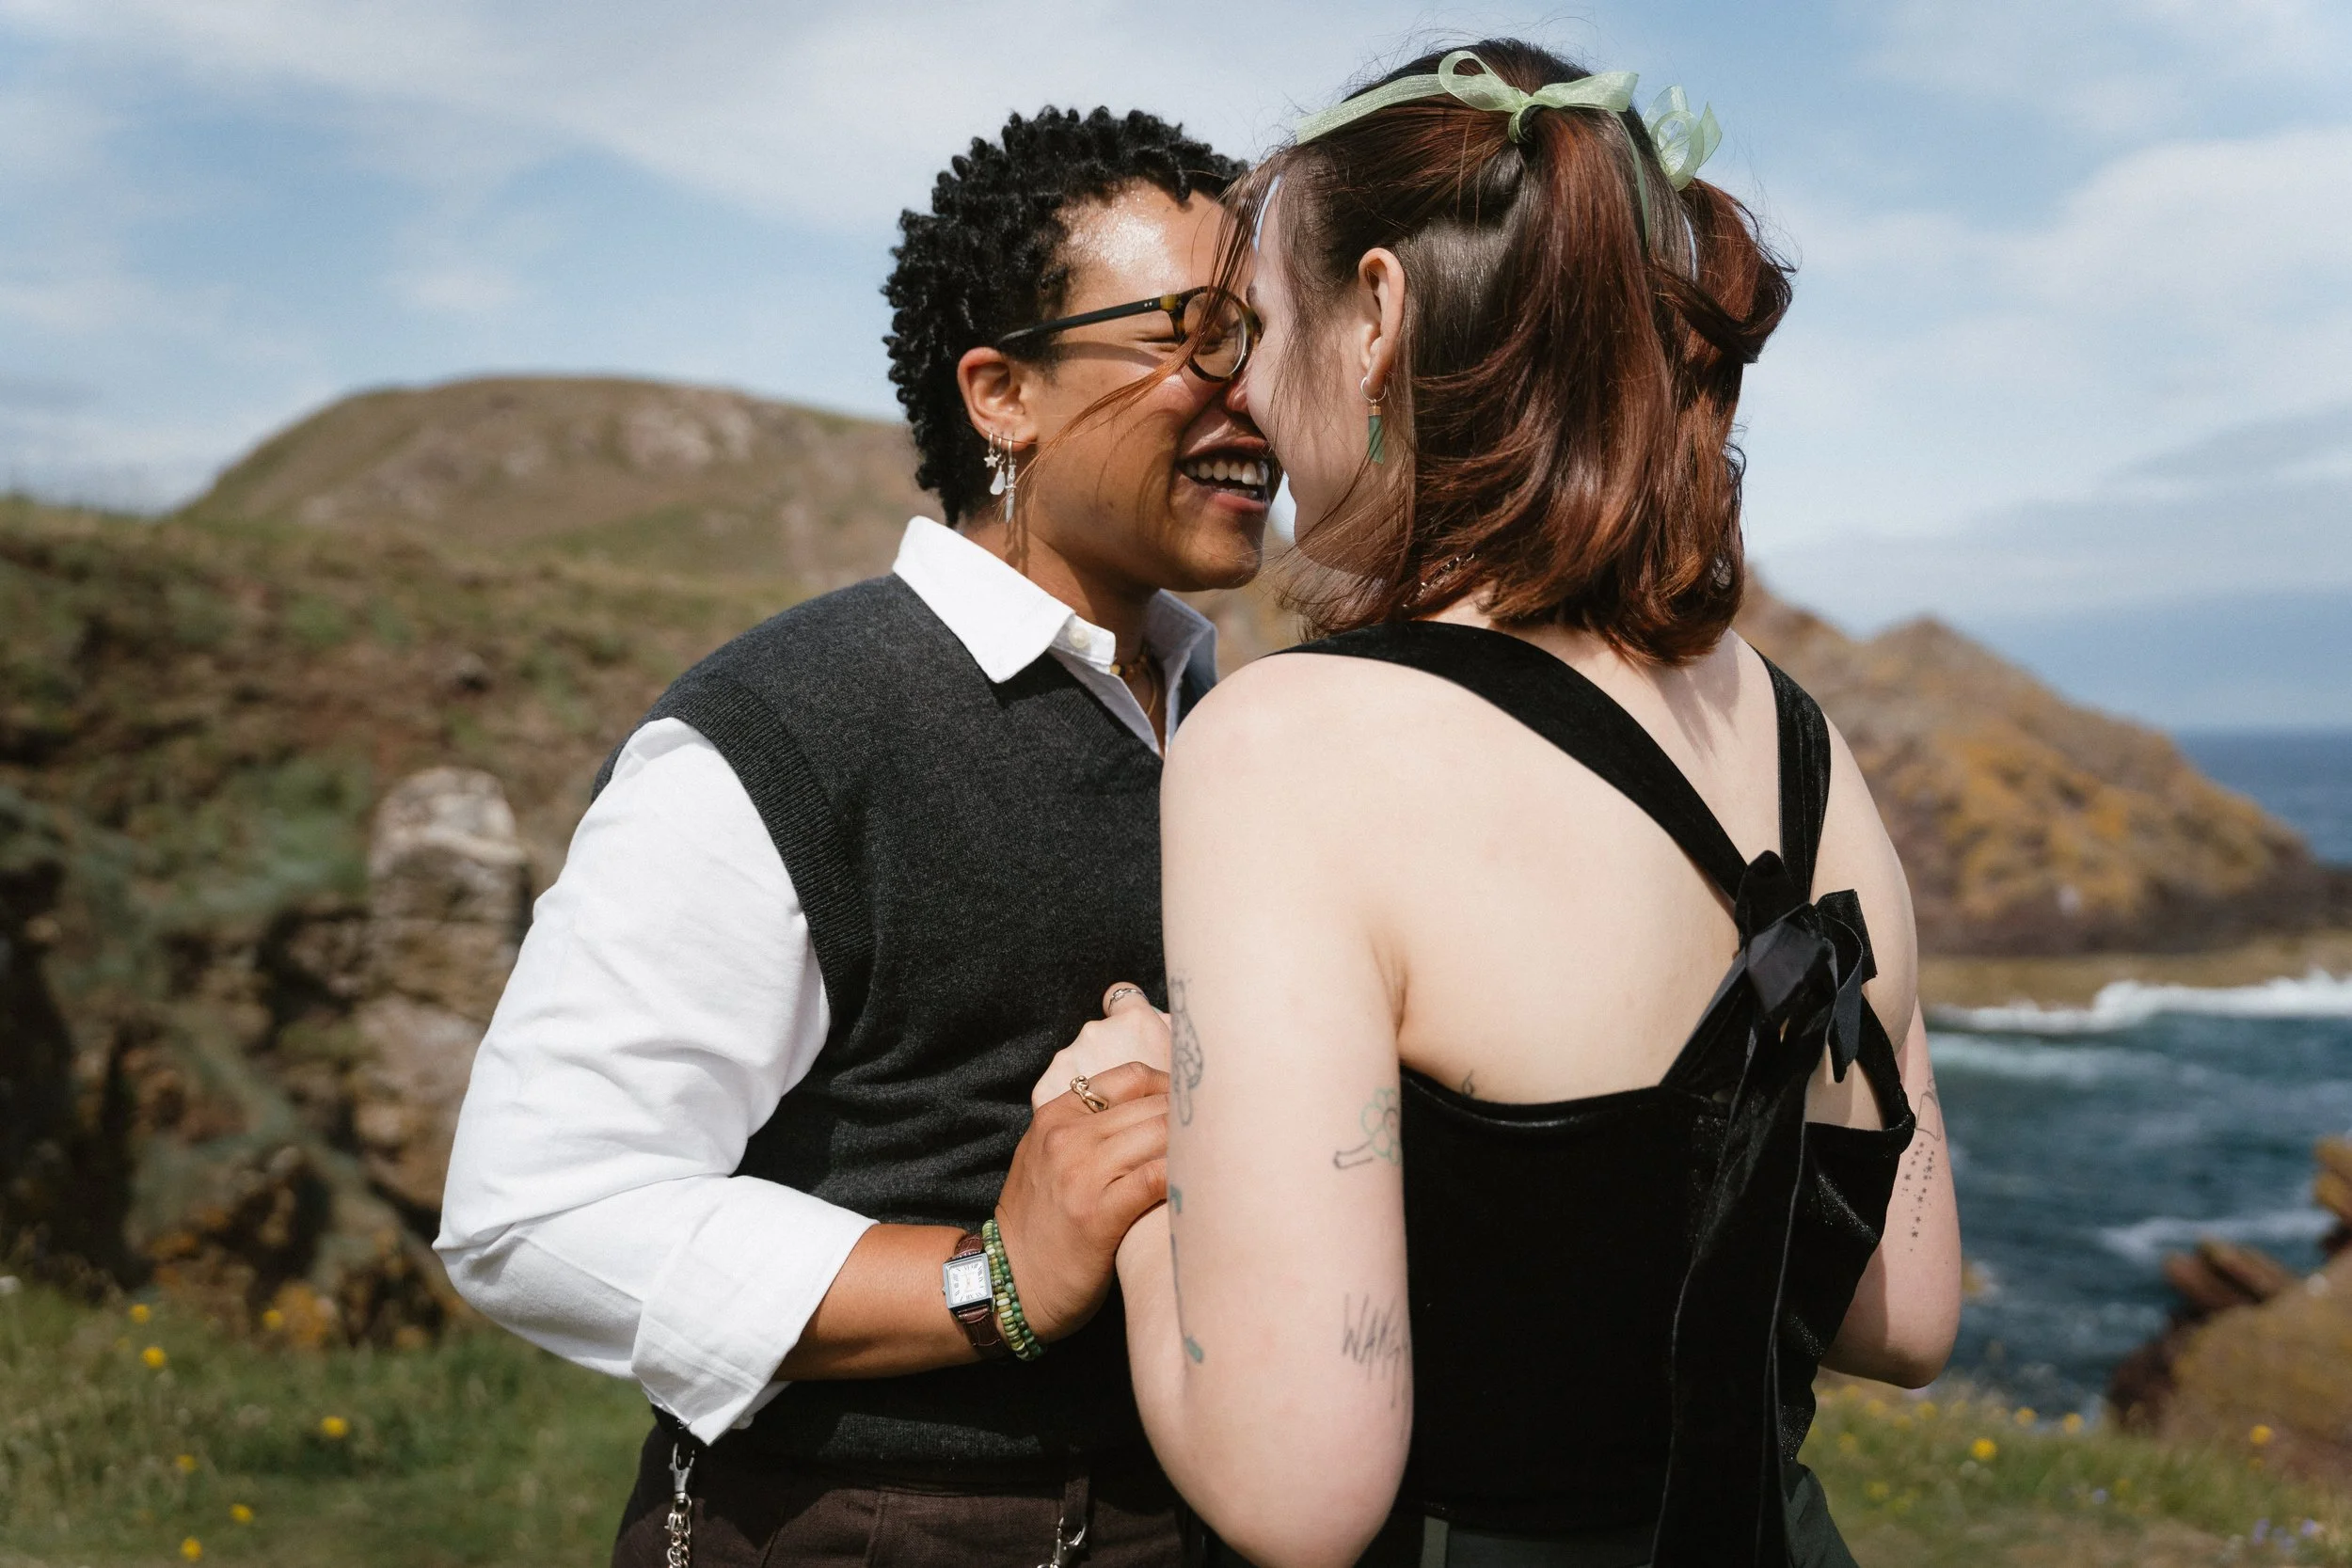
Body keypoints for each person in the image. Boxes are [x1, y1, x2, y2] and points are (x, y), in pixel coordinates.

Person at [1087, 40, 1963, 1568]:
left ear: (1378, 314)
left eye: (1261, 325)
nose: (1246, 392)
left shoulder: (1293, 743)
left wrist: (1161, 1177)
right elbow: (1909, 1305)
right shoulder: (1802, 739)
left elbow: (1299, 1491)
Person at [435, 104, 1272, 1568]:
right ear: (1001, 392)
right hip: (865, 1527)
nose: (1250, 393)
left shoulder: (1245, 725)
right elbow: (535, 1209)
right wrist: (991, 1277)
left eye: (1268, 339)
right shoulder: (789, 729)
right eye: (1196, 333)